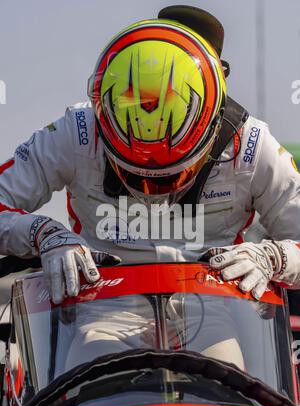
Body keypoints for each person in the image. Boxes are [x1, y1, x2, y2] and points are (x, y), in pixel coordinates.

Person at [0, 5, 300, 309]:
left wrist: (273, 257)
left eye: (175, 174)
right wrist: (44, 234)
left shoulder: (249, 144)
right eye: (133, 174)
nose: (152, 190)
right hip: (101, 310)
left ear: (210, 123)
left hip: (215, 310)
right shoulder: (77, 132)